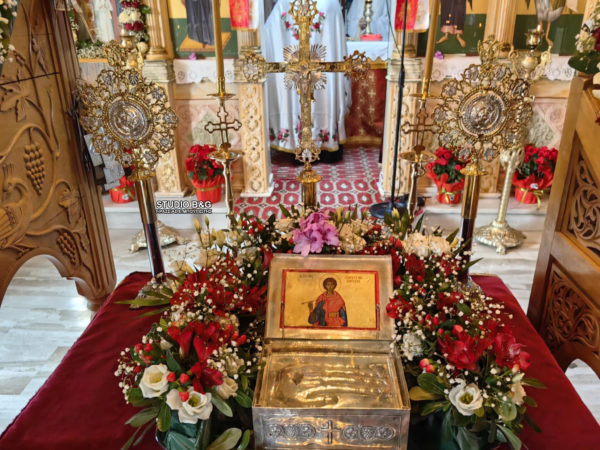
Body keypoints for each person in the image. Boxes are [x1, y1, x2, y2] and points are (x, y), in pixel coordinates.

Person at [263, 0, 350, 162]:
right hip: (319, 73)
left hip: (297, 72)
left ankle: (296, 146)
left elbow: (267, 37)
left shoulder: (285, 4)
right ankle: (326, 147)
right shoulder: (331, 4)